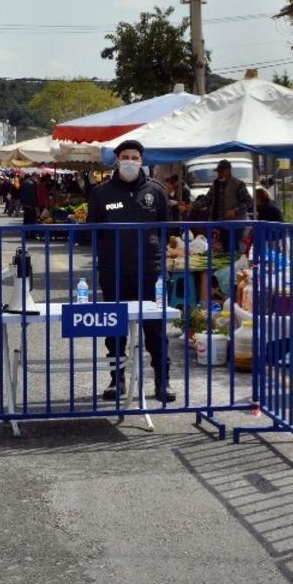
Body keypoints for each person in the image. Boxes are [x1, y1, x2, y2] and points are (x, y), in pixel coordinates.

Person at [87, 139, 176, 403]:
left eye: (135, 157)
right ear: (117, 159)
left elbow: (166, 228)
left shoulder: (156, 191)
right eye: (125, 156)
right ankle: (117, 381)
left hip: (151, 270)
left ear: (142, 160)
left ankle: (163, 382)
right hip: (114, 270)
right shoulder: (101, 193)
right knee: (115, 327)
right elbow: (92, 229)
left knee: (156, 328)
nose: (130, 161)